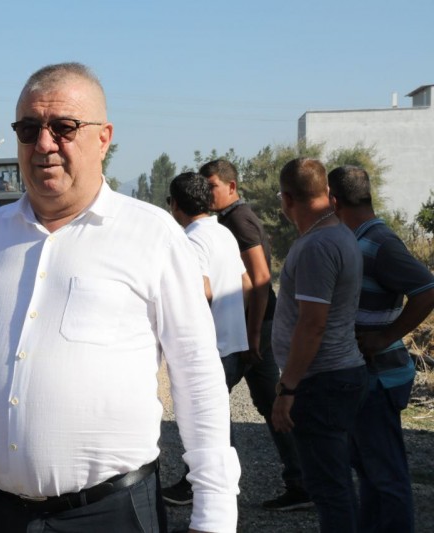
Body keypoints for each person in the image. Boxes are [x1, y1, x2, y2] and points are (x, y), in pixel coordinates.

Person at [0, 62, 240, 533]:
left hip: (106, 514)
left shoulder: (152, 235)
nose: (44, 144)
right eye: (29, 129)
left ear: (103, 138)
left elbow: (199, 379)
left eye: (64, 127)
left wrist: (215, 516)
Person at [193, 159, 310, 511]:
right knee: (269, 405)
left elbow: (259, 278)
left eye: (212, 186)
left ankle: (206, 483)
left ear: (231, 186)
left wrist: (253, 334)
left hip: (252, 328)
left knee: (209, 402)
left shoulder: (238, 220)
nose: (206, 193)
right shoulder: (230, 219)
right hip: (252, 327)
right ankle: (302, 482)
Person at [329, 165, 434, 533]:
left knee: (386, 476)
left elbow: (427, 290)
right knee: (370, 472)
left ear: (333, 201)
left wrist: (385, 336)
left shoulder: (379, 243)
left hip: (380, 378)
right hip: (365, 377)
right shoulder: (357, 240)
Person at [272, 157, 368, 533]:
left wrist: (288, 388)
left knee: (329, 488)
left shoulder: (318, 245)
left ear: (286, 199)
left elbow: (312, 324)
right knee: (335, 483)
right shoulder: (338, 234)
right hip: (335, 374)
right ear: (327, 192)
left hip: (320, 381)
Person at [161, 172, 250, 506]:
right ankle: (217, 487)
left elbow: (204, 290)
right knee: (216, 420)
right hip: (232, 341)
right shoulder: (223, 232)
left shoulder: (190, 239)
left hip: (212, 347)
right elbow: (245, 283)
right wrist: (234, 320)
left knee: (203, 424)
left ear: (174, 204)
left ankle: (202, 490)